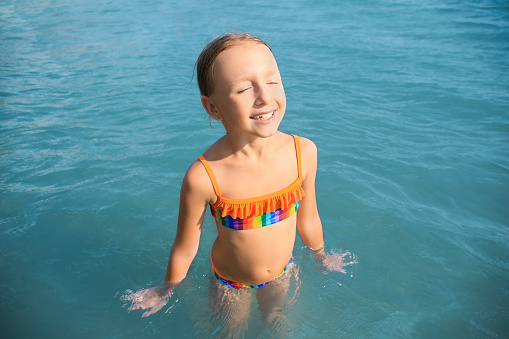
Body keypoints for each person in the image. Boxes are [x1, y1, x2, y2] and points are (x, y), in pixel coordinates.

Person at [125, 32, 351, 334]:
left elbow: (308, 217)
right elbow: (185, 247)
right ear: (213, 108)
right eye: (244, 88)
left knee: (281, 327)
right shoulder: (205, 176)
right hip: (230, 283)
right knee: (232, 332)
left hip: (283, 273)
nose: (264, 96)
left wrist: (321, 256)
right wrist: (166, 289)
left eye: (273, 81)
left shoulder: (303, 153)